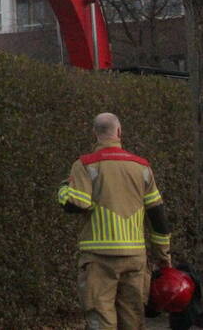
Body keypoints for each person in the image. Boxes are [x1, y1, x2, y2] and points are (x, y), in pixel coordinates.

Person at [57, 112, 172, 330]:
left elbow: (77, 203)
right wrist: (163, 257)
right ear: (119, 132)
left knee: (101, 318)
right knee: (133, 319)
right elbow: (158, 216)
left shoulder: (85, 165)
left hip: (98, 259)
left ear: (94, 133)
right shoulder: (142, 167)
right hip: (135, 259)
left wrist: (63, 190)